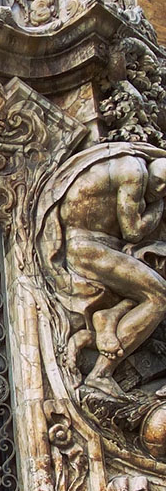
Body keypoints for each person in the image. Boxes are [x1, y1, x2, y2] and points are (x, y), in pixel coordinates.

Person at [36, 144, 166, 397]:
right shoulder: (135, 173)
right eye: (160, 183)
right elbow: (133, 231)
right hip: (89, 248)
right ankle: (100, 374)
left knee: (143, 283)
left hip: (92, 245)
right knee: (158, 297)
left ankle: (108, 317)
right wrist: (157, 208)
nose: (159, 190)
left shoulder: (120, 160)